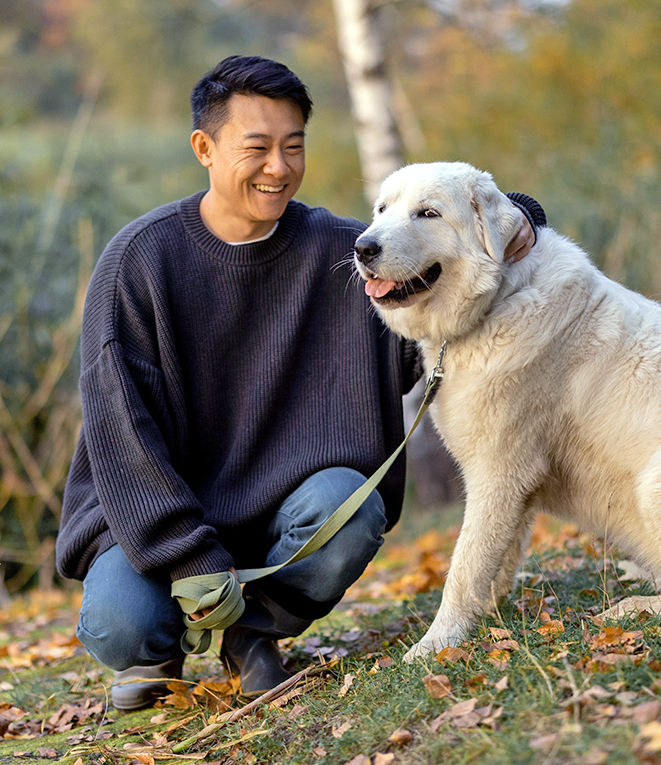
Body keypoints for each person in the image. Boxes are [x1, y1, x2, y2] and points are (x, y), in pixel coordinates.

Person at [55, 55, 545, 711]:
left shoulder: (347, 253)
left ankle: (254, 637)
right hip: (156, 522)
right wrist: (191, 557)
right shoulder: (138, 262)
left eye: (294, 146)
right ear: (204, 147)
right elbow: (121, 433)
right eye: (256, 148)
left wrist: (521, 216)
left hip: (289, 515)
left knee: (353, 506)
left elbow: (430, 307)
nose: (279, 168)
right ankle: (159, 650)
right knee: (122, 624)